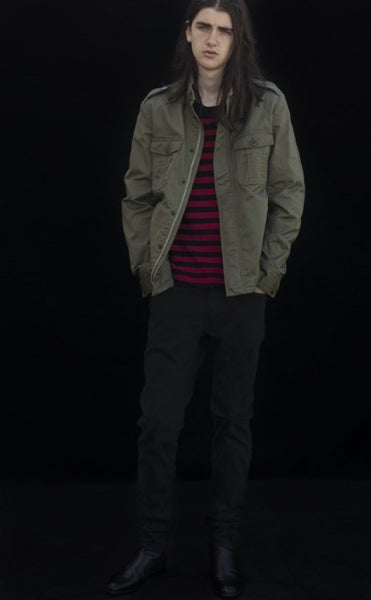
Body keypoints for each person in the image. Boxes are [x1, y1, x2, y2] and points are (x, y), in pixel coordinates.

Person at [105, 0, 305, 597]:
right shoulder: (158, 108)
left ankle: (224, 548)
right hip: (177, 293)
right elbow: (137, 195)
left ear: (238, 40)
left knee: (232, 422)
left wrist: (269, 275)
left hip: (243, 294)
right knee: (158, 424)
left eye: (225, 30)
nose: (213, 39)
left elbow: (288, 192)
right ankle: (152, 547)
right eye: (204, 27)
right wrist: (149, 271)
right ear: (188, 34)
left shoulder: (268, 105)